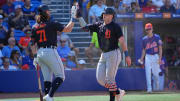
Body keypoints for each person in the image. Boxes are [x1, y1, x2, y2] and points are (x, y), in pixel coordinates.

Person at [77, 7, 131, 101]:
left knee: (110, 79)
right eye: (104, 14)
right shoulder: (99, 25)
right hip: (104, 54)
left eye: (107, 14)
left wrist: (127, 55)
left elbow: (122, 41)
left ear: (112, 16)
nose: (104, 15)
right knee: (100, 79)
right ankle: (118, 92)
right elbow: (84, 28)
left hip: (114, 53)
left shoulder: (115, 26)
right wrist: (79, 17)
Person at [31, 4, 76, 101]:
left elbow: (32, 44)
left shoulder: (35, 26)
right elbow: (68, 29)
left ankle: (48, 97)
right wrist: (73, 18)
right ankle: (49, 96)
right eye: (48, 11)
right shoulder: (51, 23)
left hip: (40, 54)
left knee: (47, 79)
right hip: (50, 51)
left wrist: (35, 57)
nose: (49, 12)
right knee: (61, 76)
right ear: (45, 12)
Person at [139, 23, 162, 93]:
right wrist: (141, 58)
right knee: (148, 73)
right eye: (147, 29)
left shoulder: (157, 37)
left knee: (155, 74)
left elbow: (160, 48)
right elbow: (143, 50)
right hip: (148, 56)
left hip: (155, 56)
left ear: (152, 29)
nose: (148, 30)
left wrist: (160, 59)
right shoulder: (144, 39)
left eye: (149, 29)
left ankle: (157, 86)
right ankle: (149, 89)